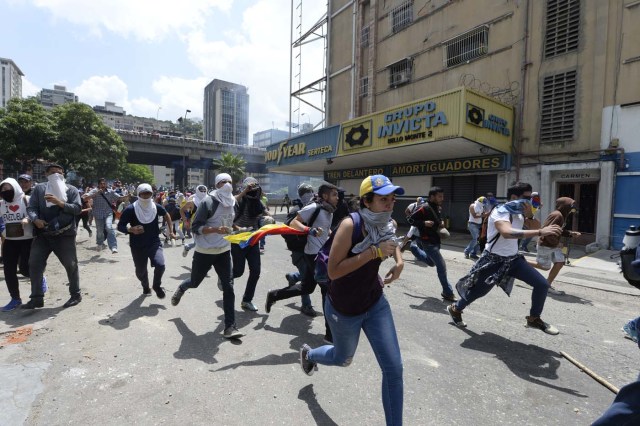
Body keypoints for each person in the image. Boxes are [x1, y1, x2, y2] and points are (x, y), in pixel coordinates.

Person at [299, 174, 405, 426]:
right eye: (383, 199)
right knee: (342, 358)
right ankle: (311, 355)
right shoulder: (350, 225)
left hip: (375, 302)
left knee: (394, 369)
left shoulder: (386, 222)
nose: (390, 204)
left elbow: (392, 238)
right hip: (344, 307)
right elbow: (334, 271)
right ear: (367, 201)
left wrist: (399, 262)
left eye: (392, 199)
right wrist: (373, 252)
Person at [446, 182, 563, 334]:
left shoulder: (520, 212)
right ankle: (456, 308)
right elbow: (507, 232)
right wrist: (540, 232)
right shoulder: (500, 211)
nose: (530, 202)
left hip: (513, 260)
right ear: (514, 197)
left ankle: (534, 318)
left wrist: (530, 216)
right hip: (493, 261)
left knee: (542, 285)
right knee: (478, 292)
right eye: (527, 198)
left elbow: (536, 225)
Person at [171, 173, 244, 339]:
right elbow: (195, 227)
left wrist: (238, 228)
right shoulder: (208, 202)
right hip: (205, 251)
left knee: (229, 287)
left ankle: (230, 327)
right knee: (195, 282)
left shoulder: (233, 202)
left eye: (229, 182)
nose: (227, 185)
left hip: (224, 250)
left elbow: (229, 221)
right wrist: (215, 230)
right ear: (217, 185)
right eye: (223, 182)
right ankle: (182, 287)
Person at [265, 183, 339, 341]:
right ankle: (330, 334)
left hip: (320, 254)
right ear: (325, 196)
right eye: (334, 195)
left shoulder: (328, 210)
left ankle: (274, 295)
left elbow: (324, 229)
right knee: (327, 290)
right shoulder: (314, 207)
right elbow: (294, 223)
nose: (337, 198)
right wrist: (309, 230)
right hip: (314, 255)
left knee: (307, 287)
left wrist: (330, 235)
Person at [22, 164, 83, 309]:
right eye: (52, 173)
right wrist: (35, 219)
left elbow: (77, 208)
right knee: (35, 263)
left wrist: (60, 203)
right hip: (43, 235)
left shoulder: (71, 190)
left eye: (59, 172)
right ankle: (36, 297)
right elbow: (31, 208)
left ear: (63, 174)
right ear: (46, 174)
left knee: (71, 264)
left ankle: (75, 294)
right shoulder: (40, 189)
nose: (56, 175)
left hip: (64, 235)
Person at [117, 184, 174, 298]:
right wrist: (131, 229)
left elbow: (167, 215)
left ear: (151, 194)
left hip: (154, 243)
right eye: (143, 193)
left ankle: (156, 286)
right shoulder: (131, 209)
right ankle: (145, 286)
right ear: (138, 194)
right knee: (140, 272)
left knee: (160, 264)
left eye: (148, 193)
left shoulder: (156, 207)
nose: (146, 196)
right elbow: (120, 226)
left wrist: (171, 231)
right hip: (137, 245)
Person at [0, 178, 46, 311]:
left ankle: (40, 279)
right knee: (9, 271)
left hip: (27, 240)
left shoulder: (27, 199)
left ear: (15, 187)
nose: (5, 191)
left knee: (25, 269)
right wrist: (3, 230)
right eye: (3, 189)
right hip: (9, 241)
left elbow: (36, 213)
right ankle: (15, 299)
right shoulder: (2, 204)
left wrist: (28, 219)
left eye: (8, 188)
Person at [408, 187, 457, 302]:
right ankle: (447, 292)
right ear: (432, 196)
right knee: (441, 266)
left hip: (436, 240)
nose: (442, 198)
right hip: (427, 241)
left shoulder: (437, 207)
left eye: (442, 196)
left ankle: (413, 247)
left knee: (431, 263)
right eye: (439, 196)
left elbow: (438, 218)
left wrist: (441, 222)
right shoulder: (423, 208)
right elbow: (410, 219)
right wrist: (423, 223)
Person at [232, 177, 272, 312]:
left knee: (255, 271)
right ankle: (226, 277)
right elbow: (230, 206)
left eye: (255, 189)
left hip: (253, 240)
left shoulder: (258, 203)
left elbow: (265, 214)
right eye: (250, 189)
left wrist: (269, 218)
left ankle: (247, 300)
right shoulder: (239, 201)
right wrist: (245, 191)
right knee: (238, 271)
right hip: (238, 240)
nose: (253, 192)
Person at [282, 183, 318, 317]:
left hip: (313, 250)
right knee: (306, 279)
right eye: (305, 192)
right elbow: (286, 230)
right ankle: (306, 305)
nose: (308, 194)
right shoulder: (295, 210)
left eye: (310, 191)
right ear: (300, 195)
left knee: (313, 274)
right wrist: (301, 233)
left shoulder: (314, 208)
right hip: (300, 251)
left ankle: (293, 276)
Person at [531, 197, 580, 295]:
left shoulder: (561, 215)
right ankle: (520, 261)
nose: (571, 211)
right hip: (546, 244)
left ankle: (547, 285)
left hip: (553, 245)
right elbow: (547, 231)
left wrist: (570, 233)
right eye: (570, 208)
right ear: (565, 207)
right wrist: (557, 243)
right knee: (544, 266)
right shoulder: (557, 215)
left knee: (560, 262)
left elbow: (558, 230)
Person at [84, 178, 127, 254]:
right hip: (98, 214)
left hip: (108, 213)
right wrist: (96, 193)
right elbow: (85, 198)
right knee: (100, 231)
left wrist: (127, 196)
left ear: (106, 184)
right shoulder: (94, 191)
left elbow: (119, 198)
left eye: (104, 184)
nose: (103, 185)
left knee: (109, 227)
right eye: (101, 184)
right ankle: (100, 243)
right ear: (98, 184)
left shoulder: (110, 191)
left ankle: (113, 247)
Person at [464, 196, 489, 260]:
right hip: (472, 224)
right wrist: (484, 215)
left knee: (478, 240)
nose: (484, 204)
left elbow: (482, 214)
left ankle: (473, 254)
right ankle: (466, 252)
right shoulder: (473, 206)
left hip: (479, 225)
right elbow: (475, 216)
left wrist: (487, 213)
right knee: (475, 239)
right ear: (480, 201)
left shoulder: (481, 207)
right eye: (483, 203)